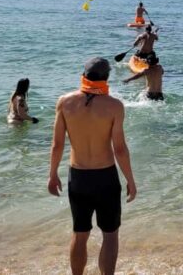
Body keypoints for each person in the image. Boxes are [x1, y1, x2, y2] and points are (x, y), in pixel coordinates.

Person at [48, 57, 136, 275]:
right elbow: (120, 149)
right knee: (110, 234)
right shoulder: (114, 106)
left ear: (84, 75)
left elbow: (57, 144)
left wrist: (52, 175)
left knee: (80, 233)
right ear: (106, 78)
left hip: (78, 177)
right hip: (105, 177)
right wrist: (130, 180)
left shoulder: (65, 102)